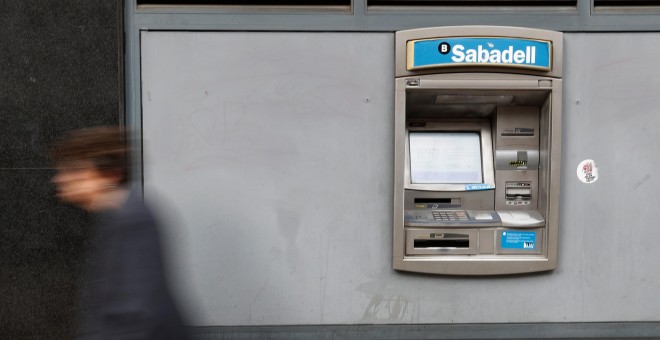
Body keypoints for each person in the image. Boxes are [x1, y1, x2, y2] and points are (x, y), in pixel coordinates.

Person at [51, 126, 188, 339]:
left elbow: (135, 310)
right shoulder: (117, 215)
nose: (60, 179)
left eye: (73, 170)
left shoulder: (131, 219)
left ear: (110, 174)